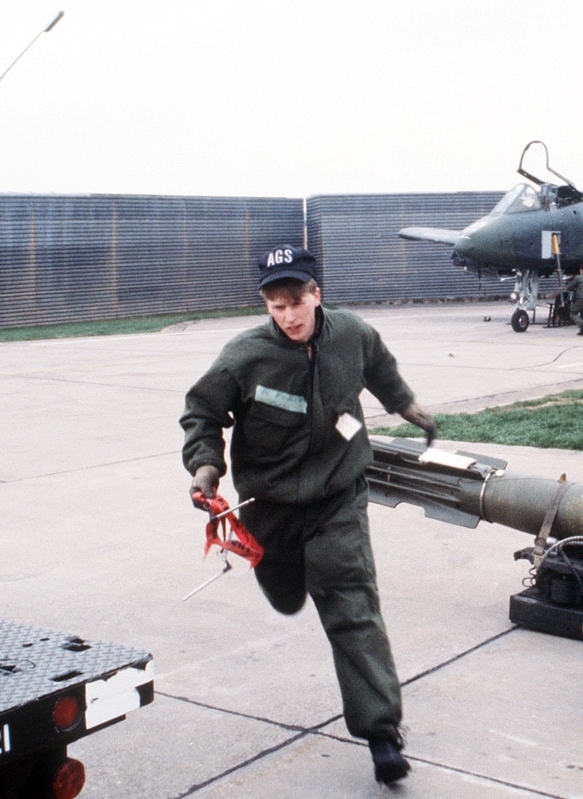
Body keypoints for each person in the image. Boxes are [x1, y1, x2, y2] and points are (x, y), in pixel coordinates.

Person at [180, 243, 436, 785]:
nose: (289, 315)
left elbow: (380, 369)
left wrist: (406, 406)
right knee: (286, 595)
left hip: (337, 495)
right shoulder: (244, 356)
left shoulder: (351, 334)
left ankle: (381, 733)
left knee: (350, 602)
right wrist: (205, 467)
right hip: (268, 508)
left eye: (297, 300)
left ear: (317, 294)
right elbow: (202, 412)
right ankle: (285, 577)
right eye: (276, 306)